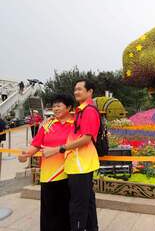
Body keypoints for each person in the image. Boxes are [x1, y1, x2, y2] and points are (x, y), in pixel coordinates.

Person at [43, 79, 100, 231]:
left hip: (81, 165)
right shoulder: (80, 110)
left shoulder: (89, 110)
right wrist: (53, 118)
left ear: (90, 92)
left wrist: (58, 149)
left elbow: (86, 139)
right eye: (75, 89)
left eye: (80, 89)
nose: (76, 92)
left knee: (77, 207)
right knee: (87, 203)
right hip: (78, 164)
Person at [18, 94, 75, 231]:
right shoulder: (48, 124)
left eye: (58, 105)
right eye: (53, 106)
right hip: (49, 175)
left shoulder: (75, 124)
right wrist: (26, 154)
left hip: (70, 174)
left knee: (66, 212)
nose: (55, 109)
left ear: (68, 107)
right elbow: (36, 144)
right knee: (49, 212)